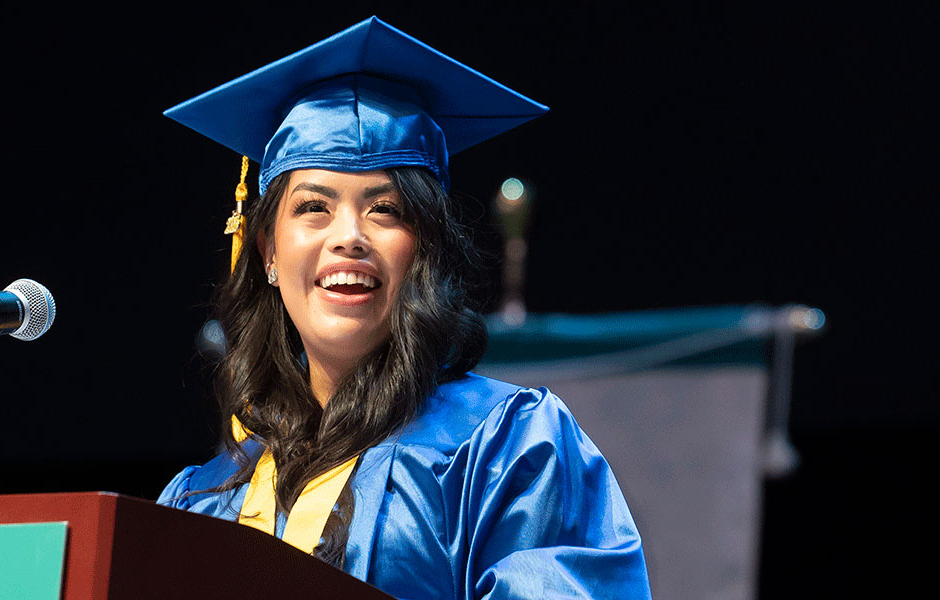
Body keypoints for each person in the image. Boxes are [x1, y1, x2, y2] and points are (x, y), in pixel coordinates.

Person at [159, 17, 651, 599]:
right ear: (267, 251)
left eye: (385, 210)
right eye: (314, 207)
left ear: (425, 249)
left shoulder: (508, 450)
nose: (349, 236)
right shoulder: (200, 502)